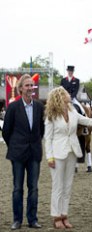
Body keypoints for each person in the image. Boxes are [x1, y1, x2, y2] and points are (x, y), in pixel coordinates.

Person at [44, 86, 92, 229]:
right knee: (58, 187)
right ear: (60, 96)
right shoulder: (52, 115)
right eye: (66, 93)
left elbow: (88, 121)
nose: (69, 95)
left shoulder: (73, 111)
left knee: (67, 187)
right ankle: (56, 216)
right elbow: (48, 138)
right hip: (57, 154)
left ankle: (64, 215)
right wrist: (49, 157)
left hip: (72, 152)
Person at [2, 74, 44, 230]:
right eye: (26, 85)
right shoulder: (13, 107)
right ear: (20, 89)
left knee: (33, 188)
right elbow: (6, 131)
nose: (29, 88)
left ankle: (32, 220)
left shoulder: (39, 106)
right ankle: (17, 220)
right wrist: (14, 145)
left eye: (31, 85)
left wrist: (35, 143)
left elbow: (41, 130)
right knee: (17, 188)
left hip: (34, 153)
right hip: (18, 154)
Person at [60, 65, 88, 135]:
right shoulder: (63, 80)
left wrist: (71, 97)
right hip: (64, 98)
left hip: (73, 98)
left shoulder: (76, 80)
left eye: (71, 71)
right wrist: (65, 97)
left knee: (82, 109)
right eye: (69, 71)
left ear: (73, 72)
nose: (70, 72)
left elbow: (76, 90)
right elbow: (61, 90)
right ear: (67, 71)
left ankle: (85, 127)